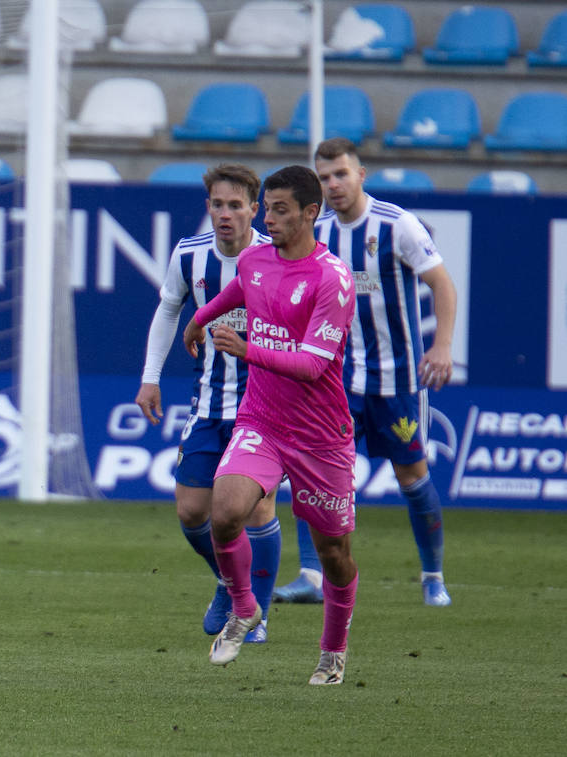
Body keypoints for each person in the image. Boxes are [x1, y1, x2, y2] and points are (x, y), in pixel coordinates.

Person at [183, 166, 358, 685]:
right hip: (262, 419)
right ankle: (245, 607)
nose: (269, 219)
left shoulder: (333, 279)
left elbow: (311, 365)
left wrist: (248, 349)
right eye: (268, 209)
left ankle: (333, 648)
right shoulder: (256, 258)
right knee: (225, 512)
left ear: (311, 213)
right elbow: (241, 289)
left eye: (282, 210)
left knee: (333, 553)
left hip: (320, 436)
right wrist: (199, 318)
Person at [273, 137, 456, 608]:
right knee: (312, 475)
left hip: (396, 381)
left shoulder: (398, 227)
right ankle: (311, 577)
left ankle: (433, 576)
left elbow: (442, 284)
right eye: (325, 177)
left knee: (412, 479)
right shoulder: (321, 233)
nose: (333, 185)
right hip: (336, 381)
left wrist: (442, 345)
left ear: (361, 174)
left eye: (341, 174)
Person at [135, 164, 280, 645]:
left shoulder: (274, 258)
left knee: (253, 511)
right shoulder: (189, 255)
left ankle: (256, 615)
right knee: (192, 511)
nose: (225, 214)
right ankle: (228, 580)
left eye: (235, 205)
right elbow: (166, 311)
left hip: (263, 408)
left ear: (254, 210)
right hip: (208, 406)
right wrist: (150, 378)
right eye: (217, 204)